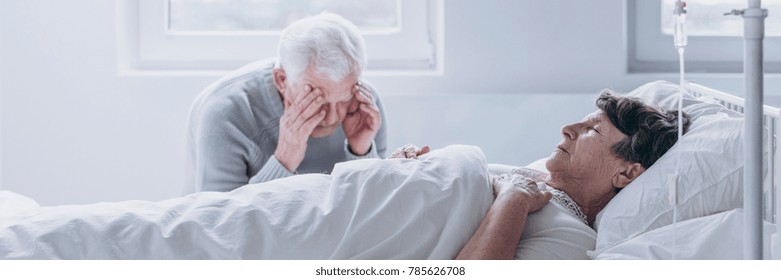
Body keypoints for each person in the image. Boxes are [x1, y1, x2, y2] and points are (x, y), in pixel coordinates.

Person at [396, 90, 691, 259]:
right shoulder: (532, 178)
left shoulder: (570, 239)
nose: (567, 128)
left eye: (593, 130)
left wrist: (513, 199)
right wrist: (406, 167)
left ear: (626, 173)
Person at [185, 13, 388, 193]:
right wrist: (285, 158)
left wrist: (361, 152)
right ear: (282, 80)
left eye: (343, 99)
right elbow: (222, 224)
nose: (333, 117)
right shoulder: (225, 115)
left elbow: (371, 213)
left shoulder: (364, 107)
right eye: (318, 99)